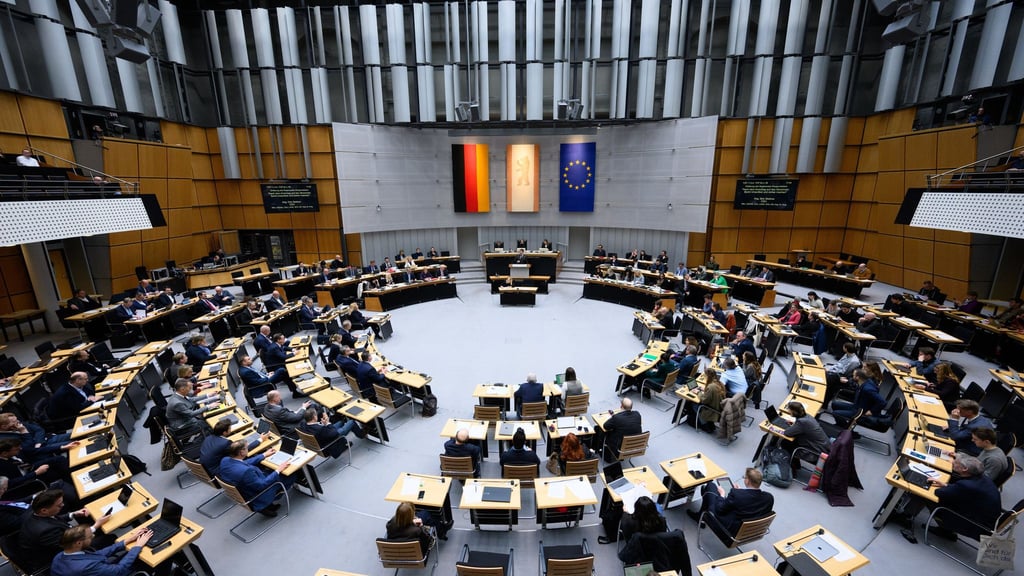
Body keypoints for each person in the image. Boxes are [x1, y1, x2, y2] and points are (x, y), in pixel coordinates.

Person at [19, 489, 114, 572]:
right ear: (44, 510)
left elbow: (53, 519)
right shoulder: (46, 532)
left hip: (59, 540)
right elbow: (71, 545)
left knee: (89, 522)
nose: (63, 505)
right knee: (110, 537)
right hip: (59, 557)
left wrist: (73, 514)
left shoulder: (35, 511)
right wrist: (96, 526)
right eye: (59, 506)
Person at [923, 455, 1001, 541]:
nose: (953, 463)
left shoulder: (966, 485)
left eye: (956, 463)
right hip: (985, 522)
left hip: (974, 525)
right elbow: (964, 493)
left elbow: (939, 492)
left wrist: (944, 488)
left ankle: (908, 519)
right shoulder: (983, 479)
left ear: (965, 469)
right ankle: (946, 531)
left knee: (926, 495)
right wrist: (946, 485)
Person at [688, 468, 774, 541]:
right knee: (719, 496)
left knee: (711, 486)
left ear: (747, 481)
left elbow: (719, 509)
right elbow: (751, 504)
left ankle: (700, 517)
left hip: (729, 531)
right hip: (749, 532)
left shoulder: (737, 495)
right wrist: (740, 492)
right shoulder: (769, 498)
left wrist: (722, 495)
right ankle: (700, 516)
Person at [218, 440, 294, 517]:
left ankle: (267, 507)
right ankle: (267, 502)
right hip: (259, 495)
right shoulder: (246, 471)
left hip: (246, 491)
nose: (248, 449)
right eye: (247, 448)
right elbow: (262, 485)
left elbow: (244, 463)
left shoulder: (225, 460)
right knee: (290, 476)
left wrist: (263, 455)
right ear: (241, 452)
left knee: (268, 471)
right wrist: (278, 470)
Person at [50, 524, 153, 576]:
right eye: (90, 537)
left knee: (129, 553)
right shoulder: (85, 567)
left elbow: (97, 554)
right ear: (79, 543)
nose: (93, 536)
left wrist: (126, 541)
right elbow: (119, 570)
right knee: (148, 560)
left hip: (101, 569)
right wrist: (137, 546)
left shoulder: (60, 555)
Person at [200, 417, 268, 477]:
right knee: (248, 455)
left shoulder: (208, 438)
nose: (231, 430)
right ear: (224, 432)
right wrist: (260, 439)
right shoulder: (225, 443)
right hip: (218, 471)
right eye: (229, 428)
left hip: (206, 469)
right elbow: (242, 450)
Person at [601, 398, 642, 462]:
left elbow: (605, 426)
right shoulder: (637, 414)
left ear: (621, 406)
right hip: (633, 446)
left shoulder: (617, 418)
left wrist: (614, 417)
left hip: (619, 447)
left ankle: (605, 456)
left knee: (601, 431)